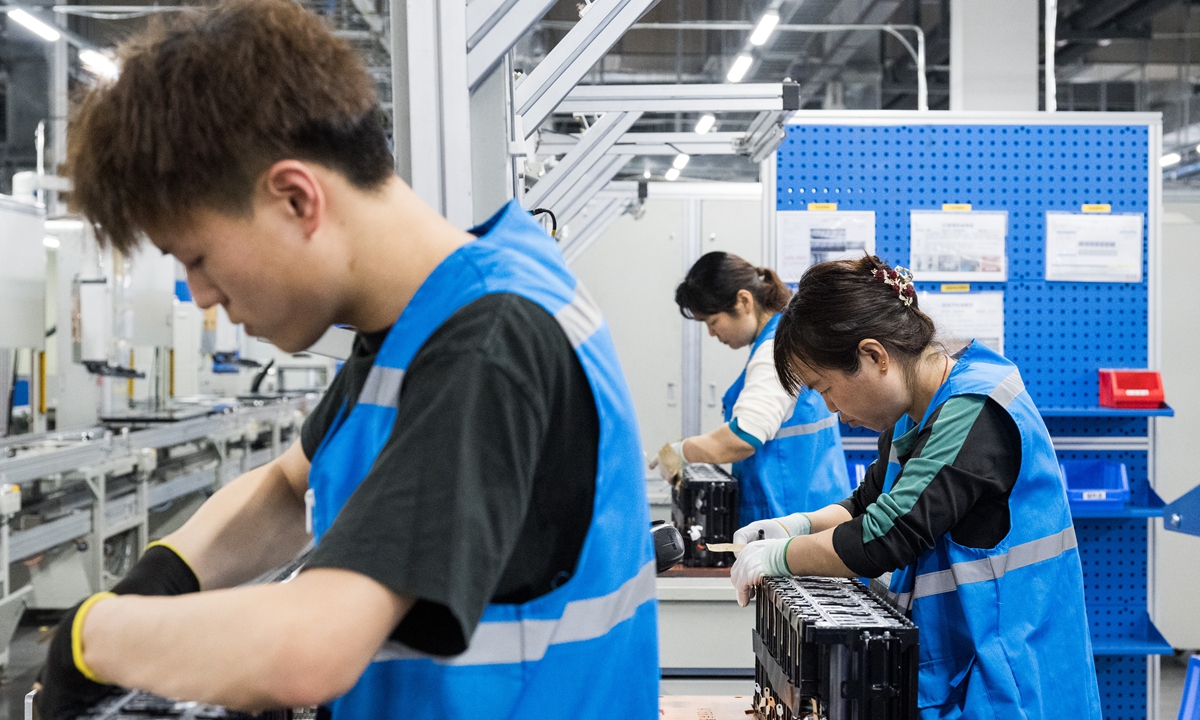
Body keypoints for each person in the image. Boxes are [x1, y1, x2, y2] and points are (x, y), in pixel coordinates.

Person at [34, 2, 659, 718]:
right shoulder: (424, 319)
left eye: (197, 258)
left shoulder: (490, 338)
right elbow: (282, 489)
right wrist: (160, 580)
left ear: (297, 198)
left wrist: (92, 637)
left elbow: (312, 651)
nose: (202, 296)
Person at [729, 257, 1102, 718]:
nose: (832, 409)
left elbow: (886, 536)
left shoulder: (974, 410)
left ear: (874, 356)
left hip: (1009, 682)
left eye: (826, 388)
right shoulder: (916, 410)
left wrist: (778, 558)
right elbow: (866, 506)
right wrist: (791, 528)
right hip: (960, 671)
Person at [652, 252, 851, 527]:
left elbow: (743, 437)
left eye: (713, 322)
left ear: (744, 301)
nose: (712, 334)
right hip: (806, 512)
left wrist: (679, 453)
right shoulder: (783, 338)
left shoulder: (774, 352)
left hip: (792, 521)